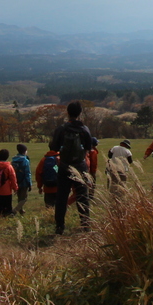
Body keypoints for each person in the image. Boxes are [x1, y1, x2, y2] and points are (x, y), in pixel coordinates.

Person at [48, 100, 94, 235]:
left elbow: (54, 147)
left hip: (64, 166)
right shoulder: (84, 129)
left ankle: (60, 226)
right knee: (82, 196)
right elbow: (88, 147)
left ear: (68, 113)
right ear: (80, 113)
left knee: (61, 197)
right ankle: (85, 225)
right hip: (80, 166)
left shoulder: (61, 129)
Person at [10, 144, 32, 215]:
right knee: (24, 198)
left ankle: (21, 210)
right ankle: (15, 211)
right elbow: (27, 173)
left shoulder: (13, 160)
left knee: (19, 196)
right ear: (24, 151)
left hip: (16, 180)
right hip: (24, 182)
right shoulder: (25, 160)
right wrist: (29, 183)